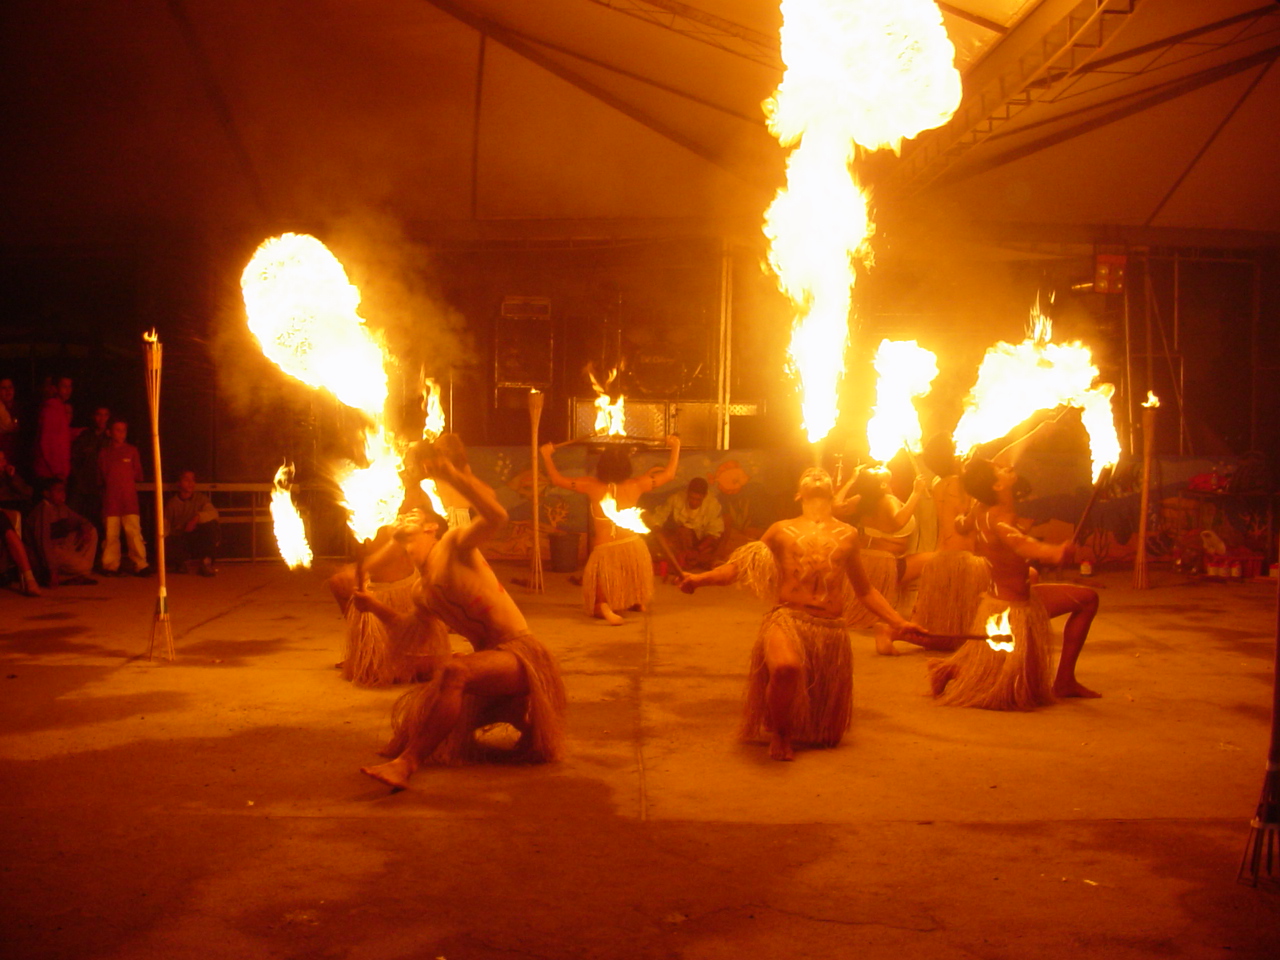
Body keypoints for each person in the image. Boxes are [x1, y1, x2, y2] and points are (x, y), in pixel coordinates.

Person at [354, 445, 567, 790]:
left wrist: (453, 476)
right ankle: (522, 723)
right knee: (424, 712)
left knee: (454, 672)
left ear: (430, 527)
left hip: (521, 655)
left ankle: (407, 764)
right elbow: (410, 632)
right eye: (400, 515)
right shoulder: (420, 591)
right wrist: (373, 605)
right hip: (490, 661)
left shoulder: (454, 544)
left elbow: (497, 516)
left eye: (411, 515)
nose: (402, 516)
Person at [678, 467, 928, 761]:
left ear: (833, 491)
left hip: (828, 629)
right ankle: (781, 733)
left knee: (797, 681)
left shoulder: (847, 535)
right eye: (808, 474)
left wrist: (899, 622)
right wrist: (700, 579)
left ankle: (796, 724)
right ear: (799, 493)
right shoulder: (780, 529)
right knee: (785, 667)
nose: (816, 474)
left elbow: (865, 591)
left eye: (822, 474)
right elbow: (739, 567)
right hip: (788, 618)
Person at [925, 457, 1100, 709]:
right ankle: (949, 670)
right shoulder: (1000, 519)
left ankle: (1065, 681)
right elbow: (1020, 544)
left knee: (1087, 599)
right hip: (1011, 610)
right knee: (1013, 681)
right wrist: (1054, 552)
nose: (1006, 467)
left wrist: (962, 517)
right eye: (999, 469)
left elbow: (961, 525)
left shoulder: (979, 509)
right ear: (997, 486)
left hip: (1014, 598)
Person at [541, 437, 680, 625]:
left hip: (606, 548)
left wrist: (546, 455)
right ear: (626, 467)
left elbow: (557, 479)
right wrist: (675, 446)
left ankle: (607, 605)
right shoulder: (637, 484)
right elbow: (670, 474)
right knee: (622, 573)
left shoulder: (590, 484)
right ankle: (630, 602)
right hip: (633, 546)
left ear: (602, 466)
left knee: (604, 589)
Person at [834, 465, 931, 630]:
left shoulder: (861, 500)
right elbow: (898, 522)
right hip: (886, 566)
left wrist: (852, 480)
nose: (878, 465)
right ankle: (921, 614)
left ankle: (899, 606)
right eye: (876, 471)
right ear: (882, 485)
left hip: (865, 562)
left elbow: (836, 507)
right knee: (936, 558)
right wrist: (916, 492)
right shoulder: (888, 500)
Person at [98, 418, 149, 577]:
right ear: (109, 432)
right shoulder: (104, 453)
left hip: (129, 500)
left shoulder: (132, 451)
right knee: (111, 533)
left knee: (133, 532)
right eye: (117, 430)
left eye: (124, 430)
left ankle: (140, 564)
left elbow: (137, 474)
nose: (121, 433)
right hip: (111, 500)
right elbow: (101, 477)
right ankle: (110, 565)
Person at [25, 479, 98, 587]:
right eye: (58, 491)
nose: (63, 494)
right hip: (50, 551)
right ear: (47, 493)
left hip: (62, 546)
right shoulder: (43, 511)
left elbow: (82, 521)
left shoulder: (61, 507)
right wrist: (51, 569)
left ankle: (75, 571)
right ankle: (64, 575)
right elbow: (43, 544)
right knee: (85, 566)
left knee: (92, 531)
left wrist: (85, 529)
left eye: (64, 490)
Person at [648, 476, 724, 572]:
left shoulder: (713, 505)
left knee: (711, 557)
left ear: (704, 496)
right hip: (682, 539)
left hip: (701, 544)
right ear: (688, 493)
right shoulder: (676, 498)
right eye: (692, 498)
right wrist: (657, 531)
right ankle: (684, 563)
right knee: (680, 534)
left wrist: (696, 551)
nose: (694, 502)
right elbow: (659, 516)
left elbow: (714, 534)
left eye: (698, 499)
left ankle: (682, 563)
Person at [164, 469, 220, 576]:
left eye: (193, 480)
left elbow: (213, 513)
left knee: (211, 525)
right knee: (168, 541)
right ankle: (181, 563)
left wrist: (196, 518)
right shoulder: (172, 504)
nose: (191, 483)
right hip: (181, 537)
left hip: (197, 537)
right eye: (186, 480)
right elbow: (165, 527)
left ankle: (206, 562)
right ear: (179, 483)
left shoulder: (201, 499)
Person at [69, 405, 110, 525]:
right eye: (99, 415)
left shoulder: (111, 438)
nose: (102, 418)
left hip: (101, 488)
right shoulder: (84, 436)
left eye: (105, 415)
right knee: (76, 519)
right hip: (82, 486)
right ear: (94, 417)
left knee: (99, 521)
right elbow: (74, 458)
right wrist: (76, 479)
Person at [33, 375, 75, 481]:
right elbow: (47, 442)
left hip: (54, 471)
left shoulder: (59, 408)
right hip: (50, 473)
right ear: (55, 388)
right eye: (64, 386)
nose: (68, 390)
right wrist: (57, 471)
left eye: (69, 386)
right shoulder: (51, 409)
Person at [0, 377, 19, 465]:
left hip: (17, 458)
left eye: (10, 387)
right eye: (4, 388)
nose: (8, 391)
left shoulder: (19, 409)